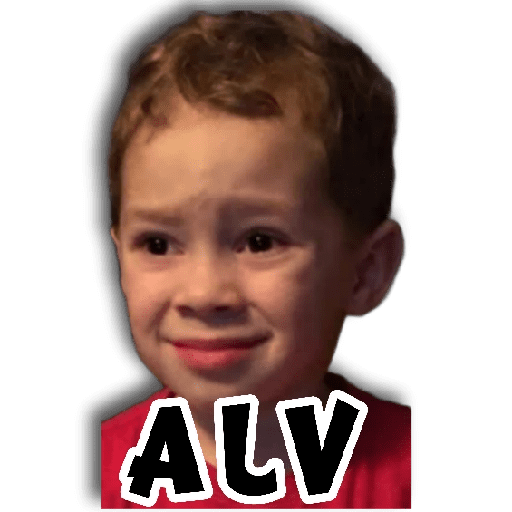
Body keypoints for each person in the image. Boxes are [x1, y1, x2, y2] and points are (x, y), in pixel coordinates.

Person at [100, 8, 412, 509]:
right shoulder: (95, 470)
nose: (203, 293)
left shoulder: (412, 471)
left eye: (260, 241)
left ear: (366, 271)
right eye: (158, 244)